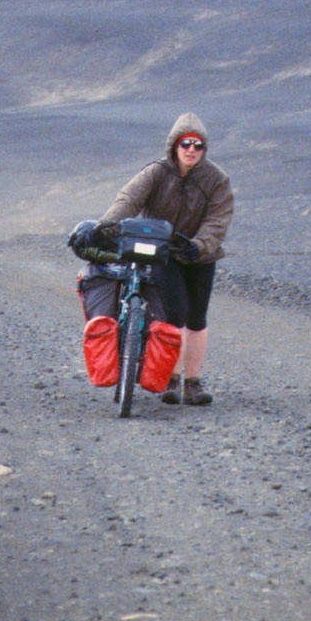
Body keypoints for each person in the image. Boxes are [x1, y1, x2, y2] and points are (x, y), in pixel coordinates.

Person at [73, 112, 234, 405]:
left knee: (197, 318)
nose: (191, 150)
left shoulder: (216, 179)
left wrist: (199, 245)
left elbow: (218, 219)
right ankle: (169, 378)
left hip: (200, 255)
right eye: (186, 143)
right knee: (174, 314)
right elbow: (129, 200)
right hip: (162, 253)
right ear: (174, 145)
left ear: (204, 149)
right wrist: (103, 227)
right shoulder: (156, 172)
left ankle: (193, 383)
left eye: (198, 145)